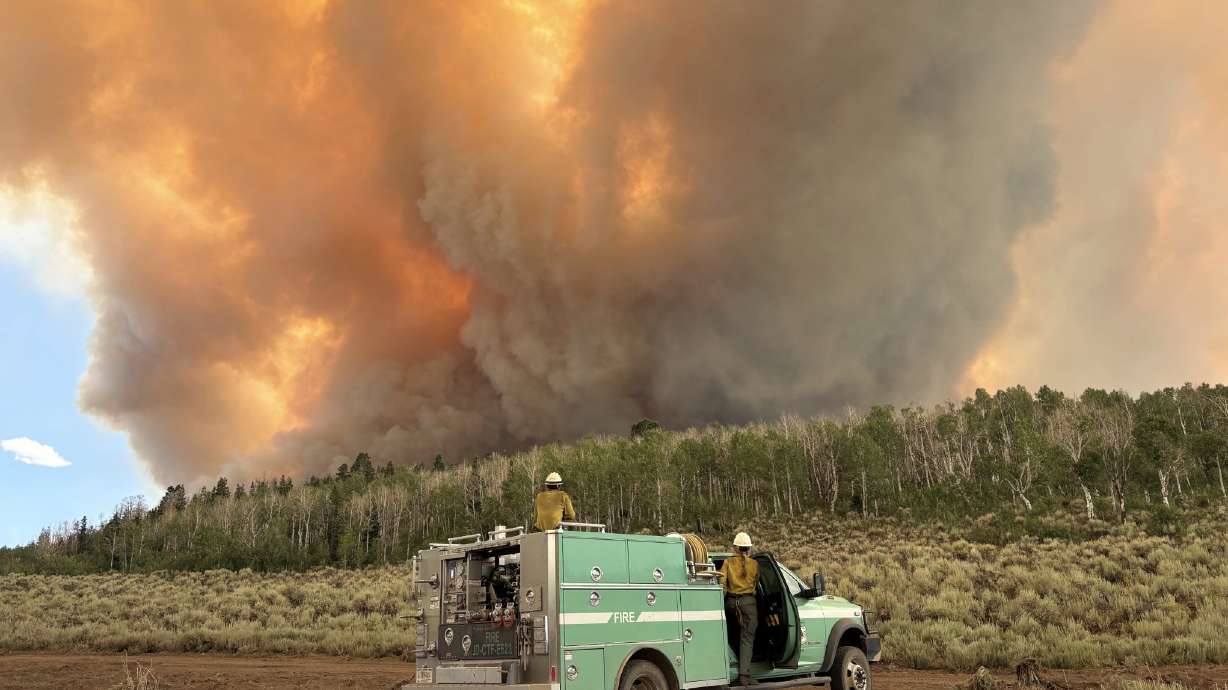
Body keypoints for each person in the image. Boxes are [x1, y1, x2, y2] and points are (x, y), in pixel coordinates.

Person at [720, 531, 759, 686]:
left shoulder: (727, 563)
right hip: (748, 604)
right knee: (747, 639)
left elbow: (722, 585)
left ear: (735, 548)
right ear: (748, 548)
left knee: (733, 635)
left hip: (730, 604)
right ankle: (744, 675)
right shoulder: (755, 564)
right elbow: (756, 585)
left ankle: (734, 666)